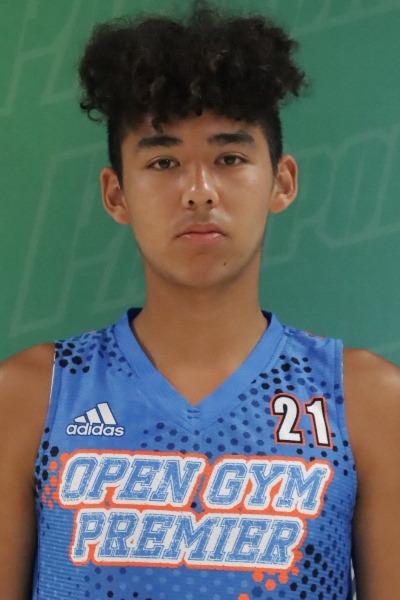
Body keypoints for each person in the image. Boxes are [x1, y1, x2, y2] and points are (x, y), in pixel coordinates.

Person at [1, 1, 399, 598]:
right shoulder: (32, 398)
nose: (198, 191)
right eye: (163, 161)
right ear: (116, 194)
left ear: (282, 182)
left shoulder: (365, 403)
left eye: (229, 157)